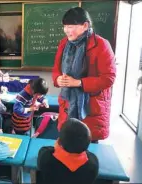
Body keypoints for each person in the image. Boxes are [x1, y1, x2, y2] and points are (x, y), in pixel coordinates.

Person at [52, 7, 116, 142]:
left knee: (88, 152)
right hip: (67, 106)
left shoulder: (101, 45)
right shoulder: (64, 43)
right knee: (66, 149)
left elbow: (108, 78)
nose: (66, 30)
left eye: (70, 26)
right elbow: (56, 69)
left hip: (91, 109)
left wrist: (79, 83)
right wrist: (58, 79)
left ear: (85, 25)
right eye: (64, 26)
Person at [37, 118, 99, 184]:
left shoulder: (47, 158)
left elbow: (43, 151)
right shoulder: (93, 163)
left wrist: (57, 147)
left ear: (59, 141)